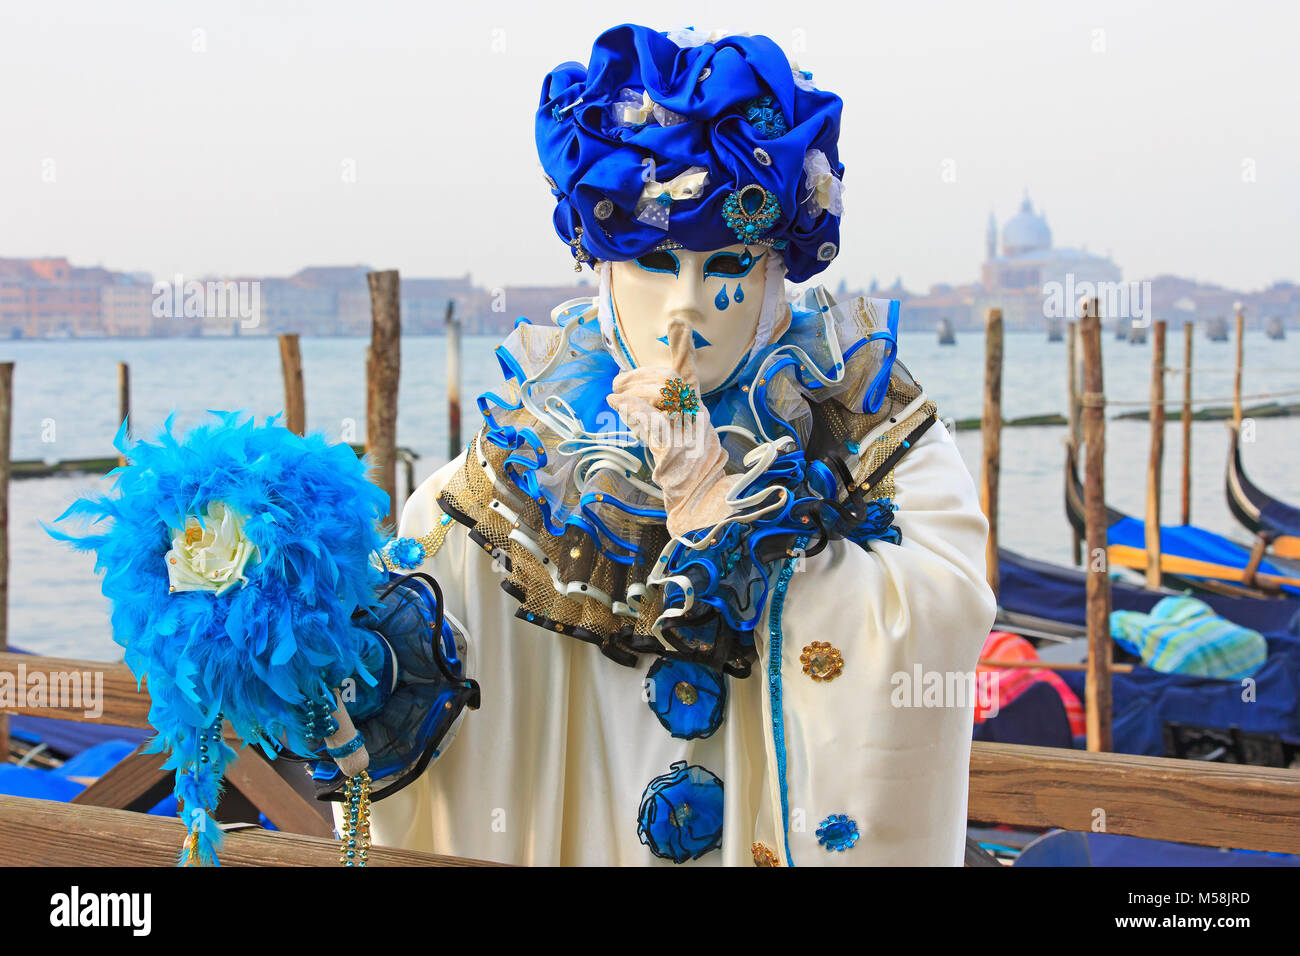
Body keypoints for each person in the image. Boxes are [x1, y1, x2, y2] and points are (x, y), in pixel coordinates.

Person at [362, 23, 996, 866]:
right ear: (601, 268)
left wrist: (739, 532)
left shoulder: (858, 419)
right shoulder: (527, 452)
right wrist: (320, 651)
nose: (686, 306)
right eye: (655, 261)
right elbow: (423, 630)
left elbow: (945, 609)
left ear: (775, 271)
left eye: (726, 261)